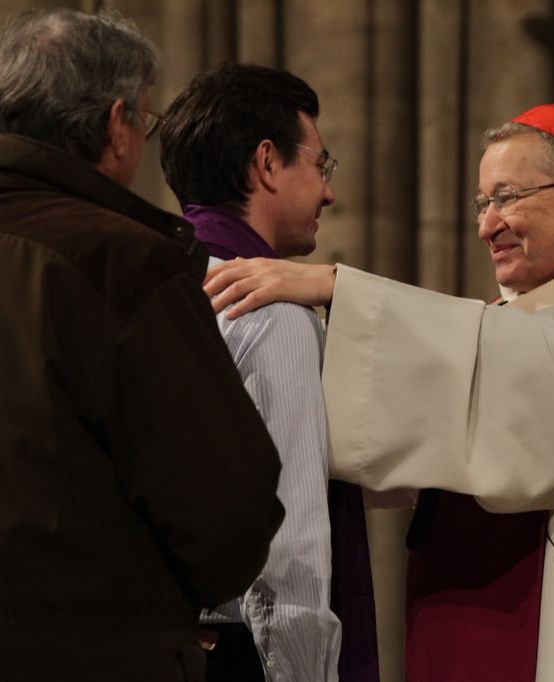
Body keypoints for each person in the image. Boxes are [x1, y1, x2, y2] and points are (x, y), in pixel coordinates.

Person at [204, 104, 554, 682]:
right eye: (482, 203)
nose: (486, 225)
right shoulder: (523, 319)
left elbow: (526, 374)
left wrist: (335, 286)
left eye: (507, 197)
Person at [0, 10, 285, 682]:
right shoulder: (125, 264)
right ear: (115, 124)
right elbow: (227, 509)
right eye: (146, 121)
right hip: (91, 654)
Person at [159, 62, 378, 682]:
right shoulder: (272, 316)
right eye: (320, 164)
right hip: (246, 651)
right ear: (267, 163)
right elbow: (291, 544)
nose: (329, 193)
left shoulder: (145, 286)